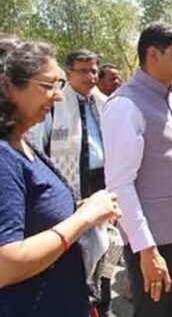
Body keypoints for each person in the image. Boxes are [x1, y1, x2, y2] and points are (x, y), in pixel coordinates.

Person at [0, 38, 121, 317]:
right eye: (47, 86)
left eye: (58, 85)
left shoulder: (22, 142)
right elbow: (6, 265)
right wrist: (83, 219)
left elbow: (35, 215)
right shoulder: (4, 156)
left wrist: (82, 210)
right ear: (7, 86)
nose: (57, 96)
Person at [103, 23, 172, 317]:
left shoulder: (171, 96)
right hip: (152, 243)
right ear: (152, 54)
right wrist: (146, 249)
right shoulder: (126, 105)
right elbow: (120, 185)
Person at [27, 48, 113, 315]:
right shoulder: (54, 105)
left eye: (94, 71)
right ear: (69, 73)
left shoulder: (104, 102)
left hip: (102, 182)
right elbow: (36, 147)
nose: (90, 77)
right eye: (83, 71)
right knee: (77, 251)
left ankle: (103, 304)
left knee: (108, 246)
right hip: (70, 185)